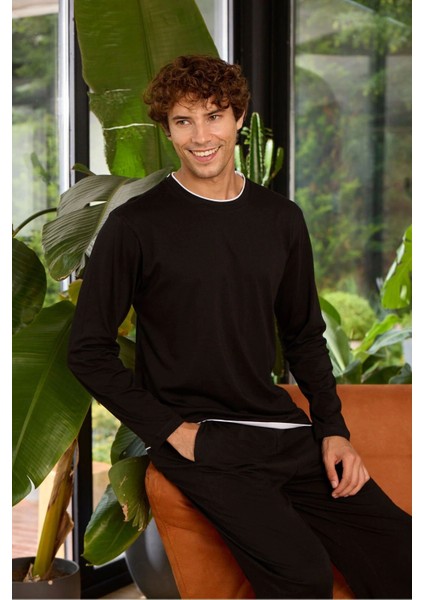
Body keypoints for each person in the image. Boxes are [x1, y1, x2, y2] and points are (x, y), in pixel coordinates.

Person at [68, 55, 412, 599]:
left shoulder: (281, 219)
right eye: (184, 121)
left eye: (214, 116)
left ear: (238, 119)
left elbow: (303, 335)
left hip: (282, 431)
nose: (201, 136)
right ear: (167, 130)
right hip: (203, 442)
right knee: (303, 575)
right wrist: (173, 431)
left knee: (403, 552)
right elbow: (87, 350)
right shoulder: (134, 226)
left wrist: (334, 431)